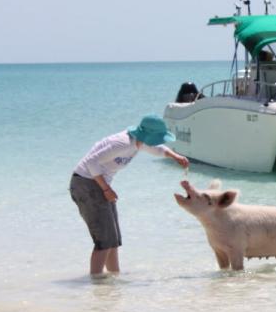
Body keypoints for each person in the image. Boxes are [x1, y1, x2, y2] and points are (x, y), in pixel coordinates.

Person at [69, 114, 189, 277]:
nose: (158, 142)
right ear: (147, 136)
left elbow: (156, 149)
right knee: (104, 241)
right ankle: (97, 286)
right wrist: (106, 189)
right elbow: (91, 162)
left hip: (99, 184)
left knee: (113, 239)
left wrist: (175, 156)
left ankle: (114, 279)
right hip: (86, 184)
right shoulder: (122, 143)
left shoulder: (137, 141)